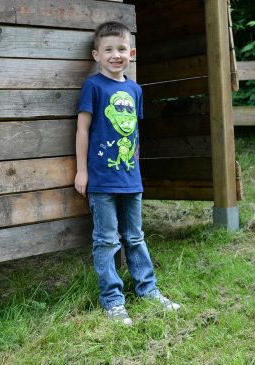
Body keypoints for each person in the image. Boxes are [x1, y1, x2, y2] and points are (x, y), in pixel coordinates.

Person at [75, 21, 181, 326]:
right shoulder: (93, 87)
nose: (115, 55)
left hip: (130, 180)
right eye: (108, 49)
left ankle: (148, 290)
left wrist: (136, 169)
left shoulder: (135, 90)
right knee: (107, 240)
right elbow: (82, 129)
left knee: (135, 237)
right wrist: (82, 172)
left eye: (121, 49)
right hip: (101, 181)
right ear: (97, 54)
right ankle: (113, 301)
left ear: (131, 53)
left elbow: (134, 134)